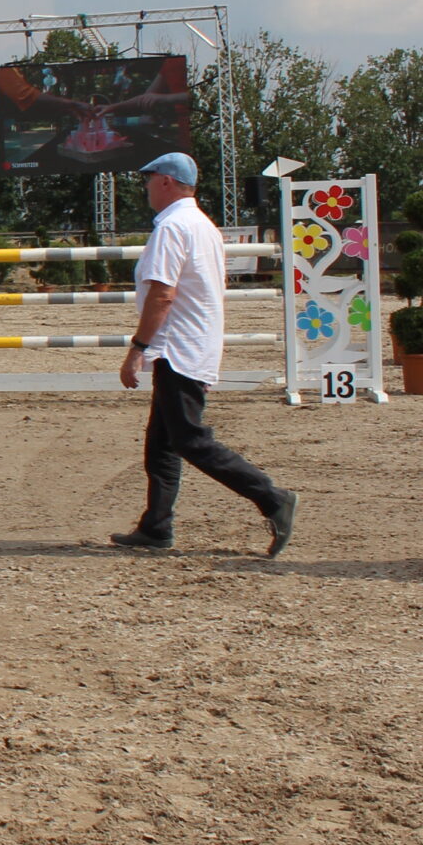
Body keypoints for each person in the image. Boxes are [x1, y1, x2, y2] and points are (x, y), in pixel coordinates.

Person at [108, 152, 300, 555]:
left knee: (189, 439)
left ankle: (271, 497)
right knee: (162, 442)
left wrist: (137, 348)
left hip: (178, 348)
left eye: (148, 180)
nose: (145, 188)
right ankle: (156, 526)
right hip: (193, 344)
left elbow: (163, 294)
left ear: (165, 181)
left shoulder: (172, 227)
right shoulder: (203, 225)